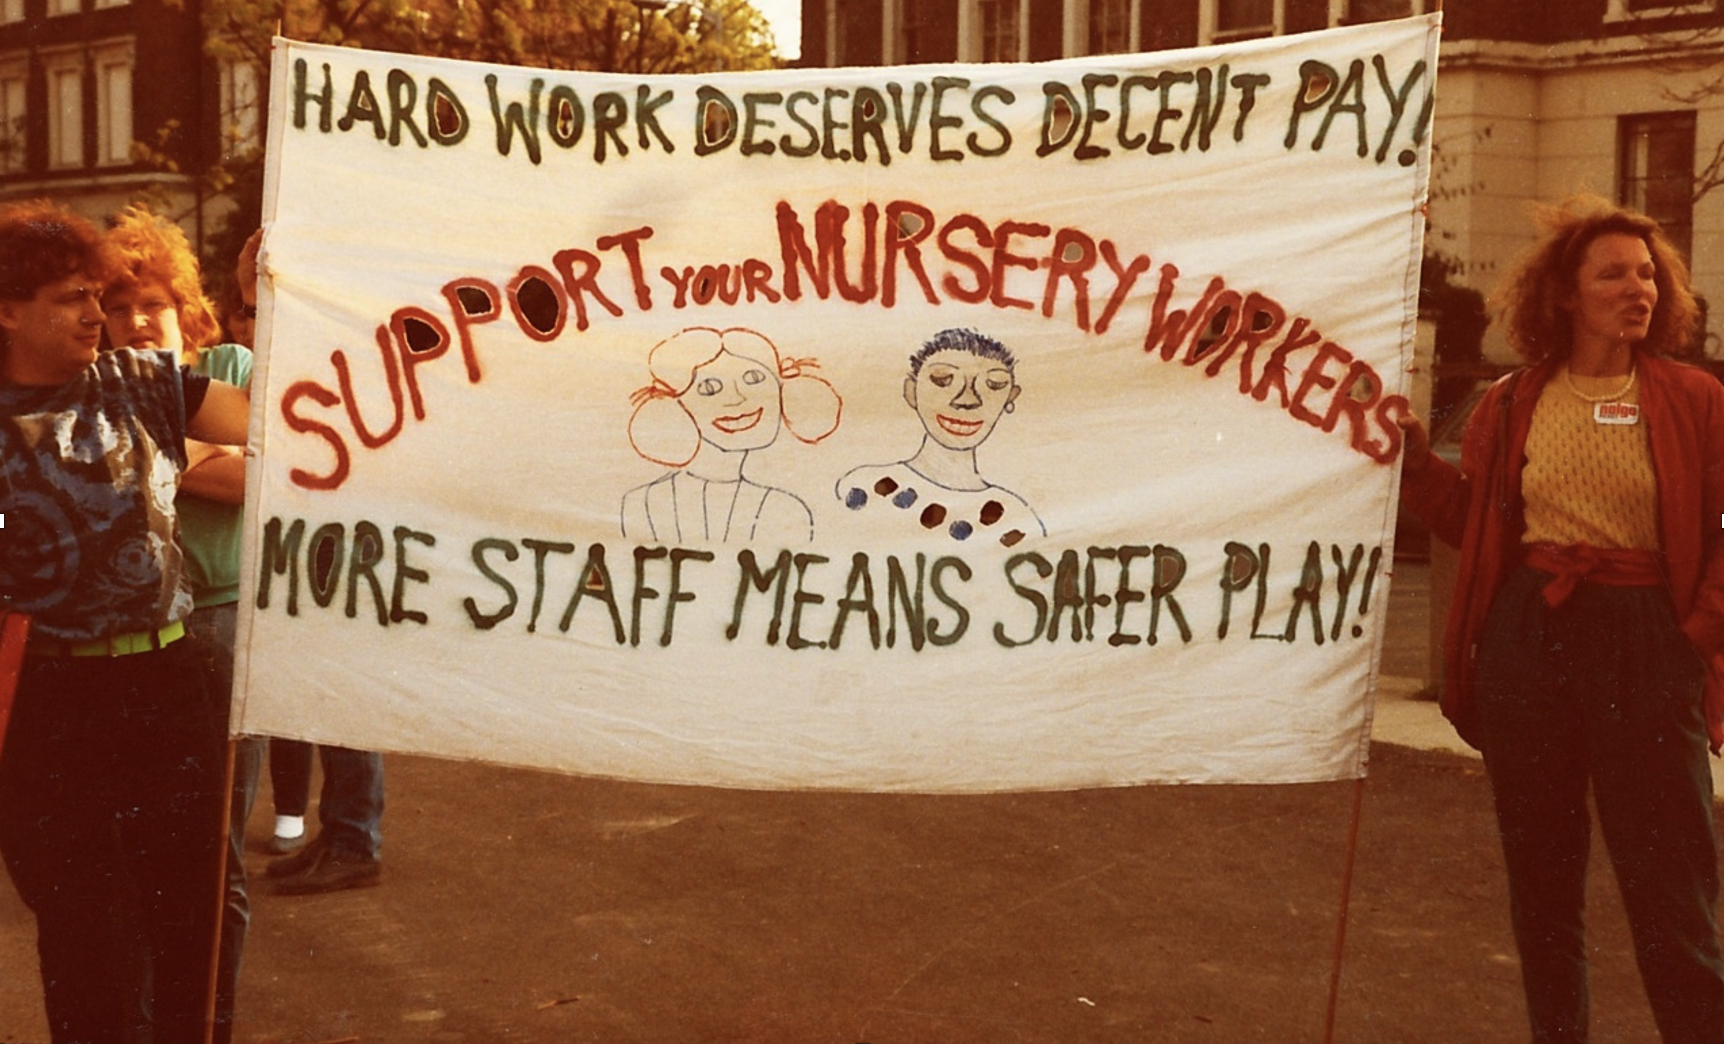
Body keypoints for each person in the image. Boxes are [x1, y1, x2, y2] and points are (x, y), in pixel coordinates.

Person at [1399, 195, 1724, 1044]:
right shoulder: (1512, 401)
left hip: (1649, 645)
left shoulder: (1697, 399)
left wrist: (1693, 639)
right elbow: (1476, 521)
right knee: (1543, 884)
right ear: (1567, 295)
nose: (1637, 287)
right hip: (1532, 641)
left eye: (1648, 272)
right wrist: (1409, 461)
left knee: (1673, 889)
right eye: (1612, 272)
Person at [0, 199, 250, 1043]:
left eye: (93, 297)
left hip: (171, 682)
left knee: (190, 923)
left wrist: (282, 306)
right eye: (71, 299)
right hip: (47, 700)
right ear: (8, 310)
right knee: (83, 934)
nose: (94, 315)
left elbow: (283, 422)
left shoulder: (140, 380)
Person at [101, 204, 261, 1044]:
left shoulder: (228, 367)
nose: (136, 321)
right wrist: (204, 457)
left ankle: (205, 1025)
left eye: (150, 305)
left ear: (183, 308)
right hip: (142, 641)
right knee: (131, 863)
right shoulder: (97, 392)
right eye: (118, 307)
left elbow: (266, 477)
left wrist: (161, 454)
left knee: (213, 863)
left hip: (229, 629)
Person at [621, 326, 841, 543]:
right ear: (676, 405)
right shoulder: (643, 504)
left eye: (754, 378)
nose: (737, 398)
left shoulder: (786, 510)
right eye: (709, 388)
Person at [836, 327, 1043, 545]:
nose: (967, 400)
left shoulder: (1015, 519)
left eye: (993, 385)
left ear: (1010, 397)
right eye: (943, 380)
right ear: (911, 392)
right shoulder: (864, 487)